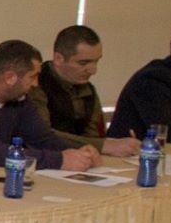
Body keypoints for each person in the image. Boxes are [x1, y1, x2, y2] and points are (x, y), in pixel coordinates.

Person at [0, 40, 101, 172]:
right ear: (10, 78)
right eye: (32, 77)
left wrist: (77, 151)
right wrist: (59, 160)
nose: (36, 84)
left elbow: (42, 138)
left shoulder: (19, 98)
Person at [31, 25, 137, 157]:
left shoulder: (88, 89)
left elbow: (92, 135)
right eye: (83, 63)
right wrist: (103, 146)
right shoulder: (35, 83)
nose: (93, 70)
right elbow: (41, 135)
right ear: (58, 59)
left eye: (96, 61)